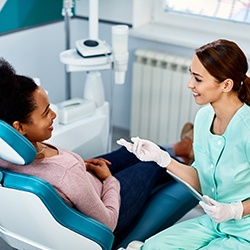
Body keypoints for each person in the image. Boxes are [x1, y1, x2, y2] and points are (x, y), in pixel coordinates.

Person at [0, 58, 195, 248]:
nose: (53, 115)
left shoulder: (6, 156)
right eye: (46, 113)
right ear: (18, 127)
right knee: (152, 162)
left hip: (81, 182)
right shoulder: (66, 172)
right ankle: (193, 163)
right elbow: (107, 222)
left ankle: (182, 148)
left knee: (132, 149)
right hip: (109, 210)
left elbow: (54, 174)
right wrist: (109, 179)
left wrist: (78, 164)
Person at [118, 39, 250, 249]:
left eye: (197, 79)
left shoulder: (248, 128)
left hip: (245, 231)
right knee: (151, 247)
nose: (190, 84)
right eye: (191, 75)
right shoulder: (204, 117)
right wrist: (162, 159)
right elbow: (200, 180)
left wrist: (235, 210)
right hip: (214, 223)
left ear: (226, 85)